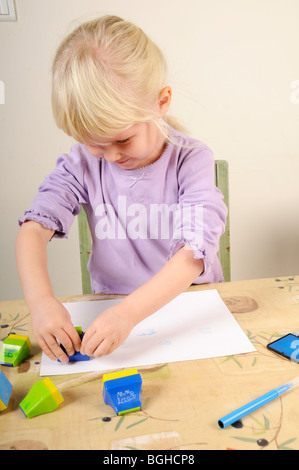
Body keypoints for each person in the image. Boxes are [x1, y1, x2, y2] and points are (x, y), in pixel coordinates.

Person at [15, 15, 227, 364]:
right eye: (92, 144)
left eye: (122, 139)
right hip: (110, 313)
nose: (110, 156)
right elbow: (33, 230)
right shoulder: (82, 163)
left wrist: (128, 315)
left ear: (161, 102)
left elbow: (194, 254)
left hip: (188, 309)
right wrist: (40, 304)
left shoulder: (192, 160)